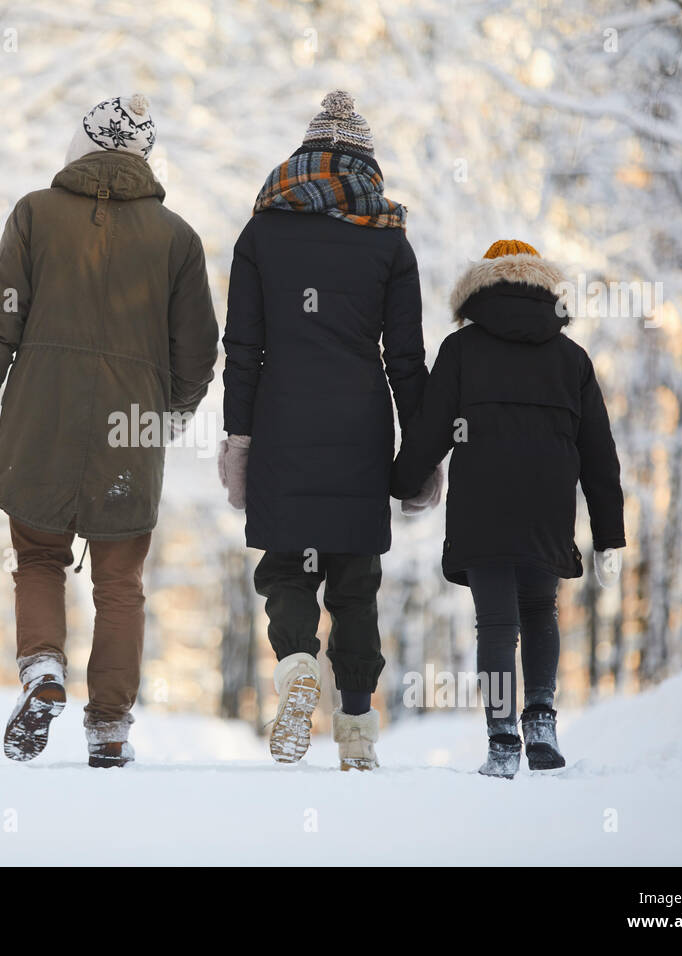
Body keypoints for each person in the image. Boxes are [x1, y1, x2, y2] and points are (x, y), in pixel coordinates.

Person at [0, 94, 218, 768]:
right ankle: (110, 727)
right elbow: (200, 352)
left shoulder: (35, 214)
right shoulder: (178, 238)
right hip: (131, 430)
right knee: (119, 581)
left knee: (39, 556)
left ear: (81, 147)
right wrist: (166, 413)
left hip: (42, 419)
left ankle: (42, 670)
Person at [219, 91, 439, 771]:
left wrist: (238, 441)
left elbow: (242, 350)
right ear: (365, 163)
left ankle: (294, 673)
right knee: (354, 579)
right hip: (359, 427)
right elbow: (406, 360)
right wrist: (422, 454)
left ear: (303, 158)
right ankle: (355, 730)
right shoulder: (387, 238)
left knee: (287, 567)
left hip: (282, 420)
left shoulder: (262, 233)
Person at [391, 239, 626, 778]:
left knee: (496, 624)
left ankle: (502, 740)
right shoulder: (573, 360)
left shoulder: (461, 350)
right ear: (547, 288)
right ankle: (541, 719)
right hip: (547, 503)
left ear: (482, 285)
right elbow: (599, 455)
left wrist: (401, 483)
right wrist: (609, 535)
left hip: (482, 504)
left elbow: (429, 433)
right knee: (540, 610)